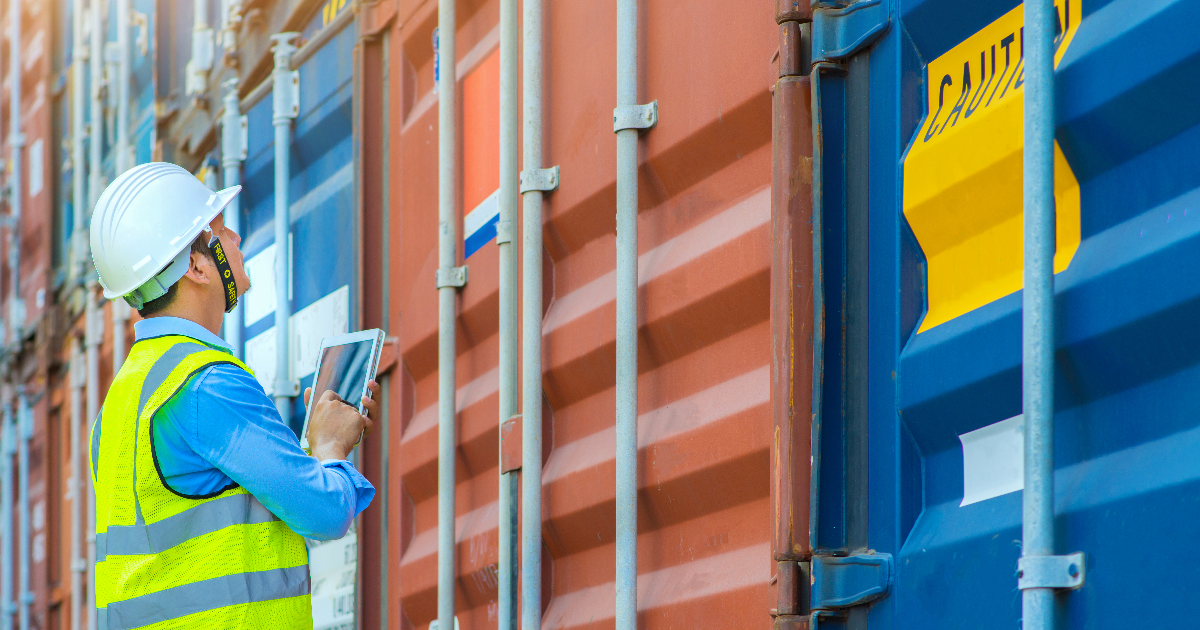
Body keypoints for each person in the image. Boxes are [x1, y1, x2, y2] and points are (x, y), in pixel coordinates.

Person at [87, 162, 376, 629]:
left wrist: (296, 453)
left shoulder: (120, 404)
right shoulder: (208, 384)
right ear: (198, 266)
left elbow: (193, 523)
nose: (236, 238)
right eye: (220, 230)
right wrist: (330, 447)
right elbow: (325, 511)